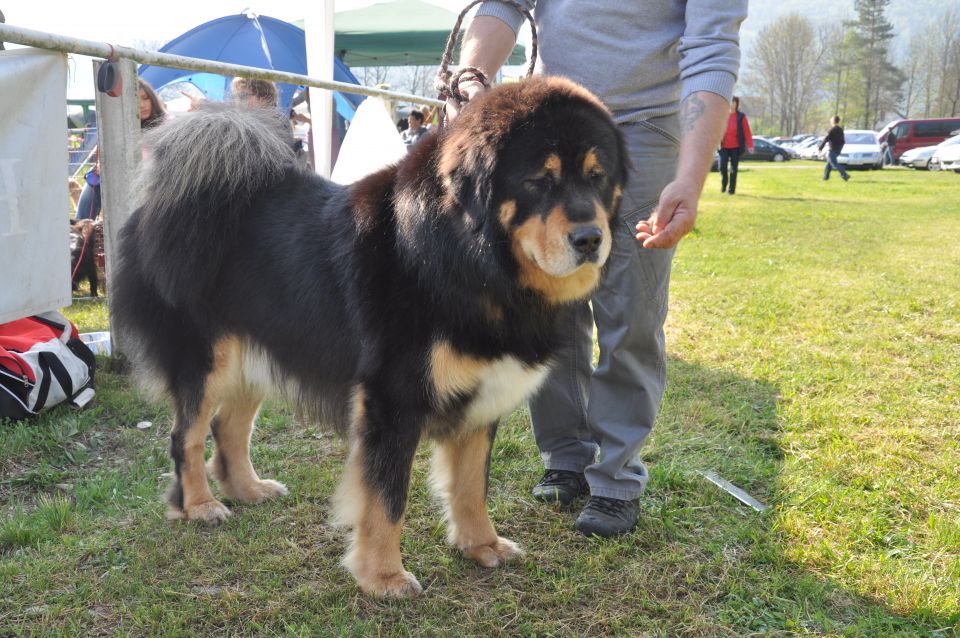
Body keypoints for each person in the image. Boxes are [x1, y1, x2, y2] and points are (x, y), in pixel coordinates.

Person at [449, 0, 747, 537]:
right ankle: (564, 452)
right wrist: (473, 74)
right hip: (550, 124)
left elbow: (711, 47)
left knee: (631, 315)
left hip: (648, 130)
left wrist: (691, 176)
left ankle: (615, 479)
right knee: (551, 306)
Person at [75, 78, 166, 221]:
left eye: (145, 98)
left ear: (153, 100)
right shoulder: (120, 128)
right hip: (124, 180)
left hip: (153, 184)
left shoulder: (165, 124)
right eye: (135, 100)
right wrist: (103, 167)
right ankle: (82, 228)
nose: (142, 105)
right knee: (94, 183)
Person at [718, 96, 754, 195]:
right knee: (723, 167)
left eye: (734, 102)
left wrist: (750, 145)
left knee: (733, 169)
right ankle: (724, 184)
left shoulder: (741, 117)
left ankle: (731, 190)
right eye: (730, 102)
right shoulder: (722, 115)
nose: (732, 104)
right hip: (723, 147)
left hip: (736, 148)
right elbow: (715, 130)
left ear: (737, 104)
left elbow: (747, 132)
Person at [818, 115, 849, 182]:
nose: (830, 121)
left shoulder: (832, 130)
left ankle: (844, 174)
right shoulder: (841, 130)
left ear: (833, 121)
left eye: (831, 120)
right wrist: (840, 148)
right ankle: (825, 177)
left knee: (834, 163)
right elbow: (843, 141)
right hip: (838, 149)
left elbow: (826, 139)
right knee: (828, 164)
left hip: (833, 149)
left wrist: (820, 147)